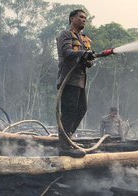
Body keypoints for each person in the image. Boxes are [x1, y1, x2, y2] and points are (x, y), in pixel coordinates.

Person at [56, 9, 95, 156]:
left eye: (86, 17)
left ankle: (68, 138)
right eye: (81, 17)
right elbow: (67, 53)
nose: (84, 19)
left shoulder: (84, 39)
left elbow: (87, 61)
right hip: (68, 80)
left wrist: (89, 60)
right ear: (72, 18)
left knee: (81, 110)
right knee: (69, 111)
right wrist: (83, 54)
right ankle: (64, 147)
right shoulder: (65, 35)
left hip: (80, 82)